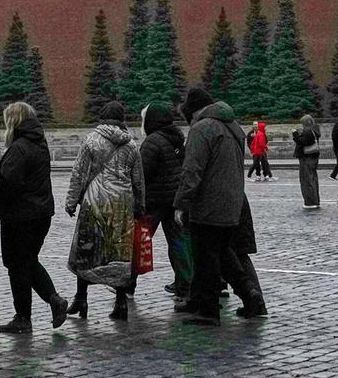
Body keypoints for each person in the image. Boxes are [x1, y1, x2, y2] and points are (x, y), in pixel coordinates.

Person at [174, 88, 269, 324]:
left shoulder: (202, 129)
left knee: (205, 257)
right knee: (225, 254)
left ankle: (207, 312)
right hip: (233, 202)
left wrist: (181, 203)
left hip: (208, 204)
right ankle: (250, 294)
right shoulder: (234, 126)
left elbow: (192, 170)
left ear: (194, 112)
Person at [64, 100, 144, 322]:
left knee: (87, 247)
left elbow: (79, 173)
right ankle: (120, 303)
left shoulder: (92, 140)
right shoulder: (131, 145)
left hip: (95, 200)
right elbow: (138, 180)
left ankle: (81, 298)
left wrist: (71, 201)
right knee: (120, 250)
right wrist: (140, 205)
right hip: (122, 203)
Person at [0, 101, 67, 333]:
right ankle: (52, 301)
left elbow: (8, 183)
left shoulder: (19, 148)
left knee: (18, 265)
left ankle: (25, 316)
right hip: (41, 213)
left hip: (20, 216)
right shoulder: (39, 144)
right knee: (27, 262)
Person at [137, 101, 193, 302]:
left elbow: (142, 173)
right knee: (178, 243)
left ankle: (127, 283)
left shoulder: (152, 142)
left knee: (140, 241)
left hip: (153, 202)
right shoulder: (176, 138)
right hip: (174, 201)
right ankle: (185, 284)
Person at [292, 114, 321, 209]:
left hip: (306, 158)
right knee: (313, 179)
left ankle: (310, 201)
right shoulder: (315, 130)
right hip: (313, 158)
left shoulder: (308, 131)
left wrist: (295, 134)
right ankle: (316, 200)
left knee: (306, 180)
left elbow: (302, 142)